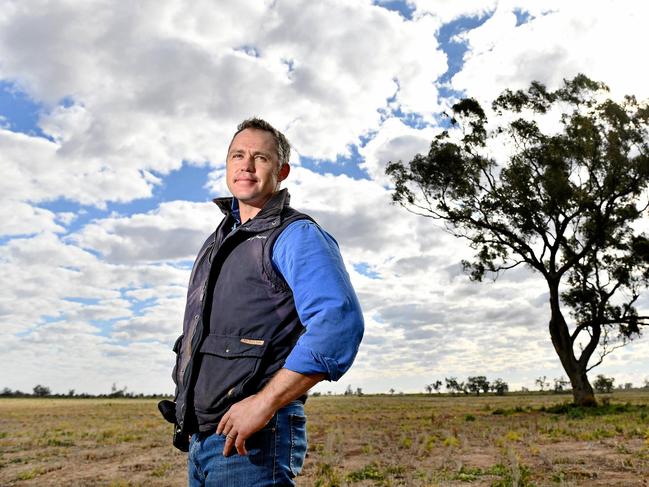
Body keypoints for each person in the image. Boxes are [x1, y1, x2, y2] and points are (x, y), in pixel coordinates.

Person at [166, 117, 364, 486]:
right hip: (204, 439)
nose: (246, 164)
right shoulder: (217, 243)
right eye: (237, 155)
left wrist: (264, 403)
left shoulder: (295, 235)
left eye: (261, 157)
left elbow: (338, 325)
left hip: (253, 443)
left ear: (282, 171)